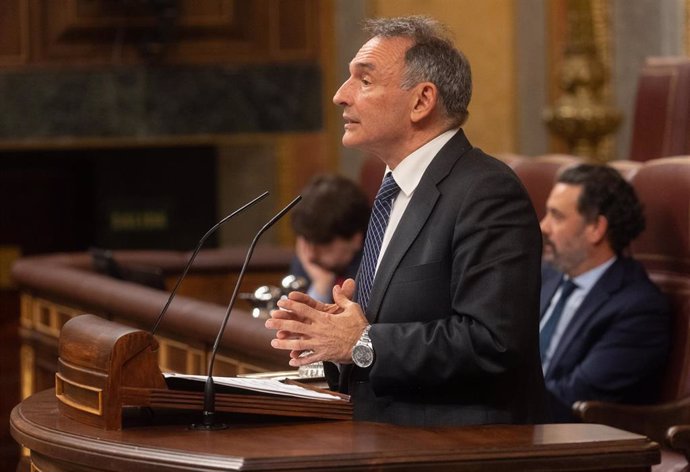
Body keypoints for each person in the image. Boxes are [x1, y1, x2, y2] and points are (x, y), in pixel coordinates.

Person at [265, 15, 548, 426]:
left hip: (464, 449)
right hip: (386, 437)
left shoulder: (486, 192)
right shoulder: (390, 191)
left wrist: (361, 341)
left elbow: (495, 343)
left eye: (364, 80)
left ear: (421, 101)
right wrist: (332, 333)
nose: (340, 96)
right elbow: (386, 329)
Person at [539, 163, 670, 422]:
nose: (543, 226)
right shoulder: (546, 275)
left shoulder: (638, 309)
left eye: (557, 216)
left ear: (596, 228)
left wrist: (491, 399)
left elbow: (575, 397)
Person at [289, 174, 370, 303]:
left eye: (324, 245)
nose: (310, 255)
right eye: (306, 241)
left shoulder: (372, 266)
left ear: (356, 239)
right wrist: (321, 283)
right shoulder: (310, 256)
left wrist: (322, 285)